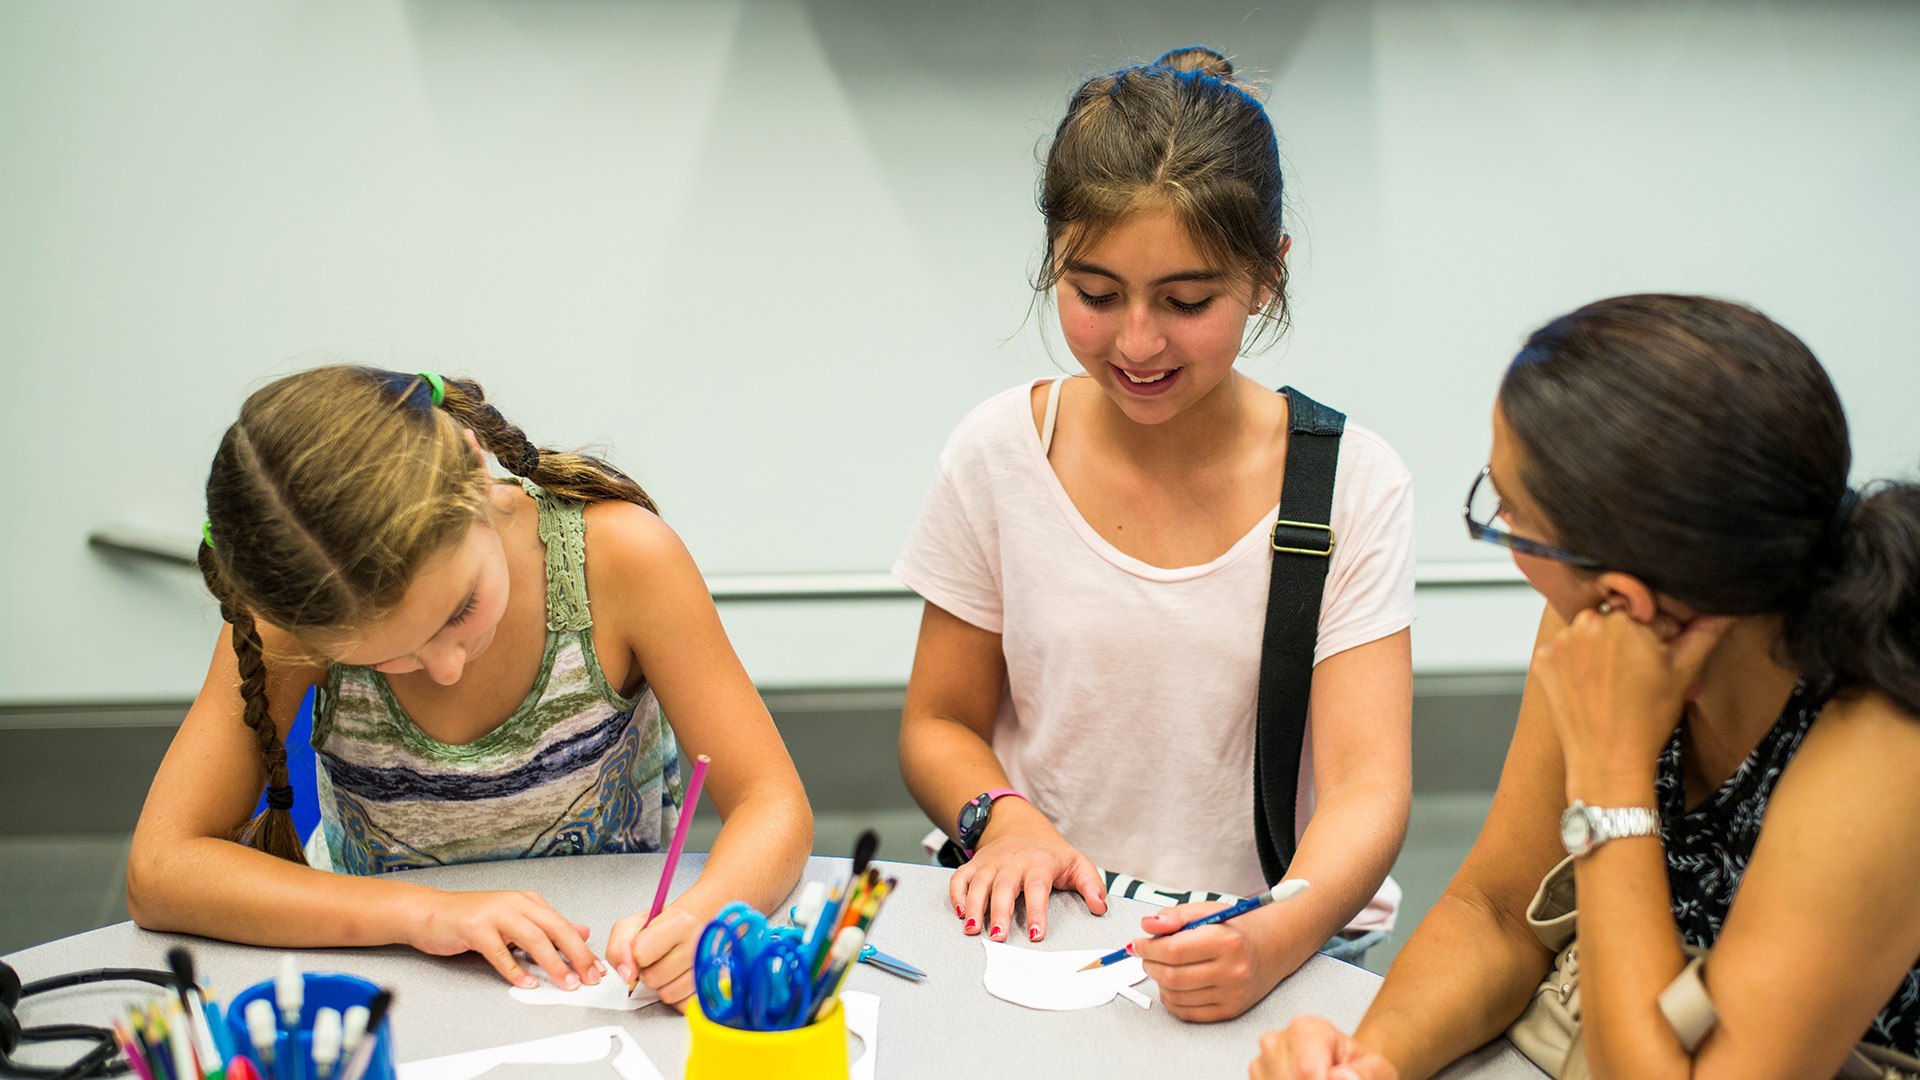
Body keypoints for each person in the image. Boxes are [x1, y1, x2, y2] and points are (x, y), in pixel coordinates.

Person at [1252, 294, 1920, 1079]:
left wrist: (1611, 777)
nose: (1499, 524)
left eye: (1508, 516)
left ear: (1625, 597)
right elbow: (1498, 914)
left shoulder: (1884, 738)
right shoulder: (1597, 630)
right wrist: (1371, 1060)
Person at [893, 47, 1417, 1022]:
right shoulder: (1001, 451)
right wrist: (1002, 823)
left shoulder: (1350, 482)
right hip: (1032, 925)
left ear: (1267, 275)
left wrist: (1275, 933)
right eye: (1094, 295)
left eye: (1186, 303)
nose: (1137, 343)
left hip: (1265, 935)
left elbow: (1367, 788)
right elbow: (940, 724)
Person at [126, 367, 812, 1009]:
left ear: (476, 471)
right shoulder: (297, 615)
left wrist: (706, 916)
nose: (447, 666)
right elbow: (162, 868)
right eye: (390, 657)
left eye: (458, 611)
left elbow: (771, 801)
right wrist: (423, 914)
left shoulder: (622, 560)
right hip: (391, 977)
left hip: (611, 971)